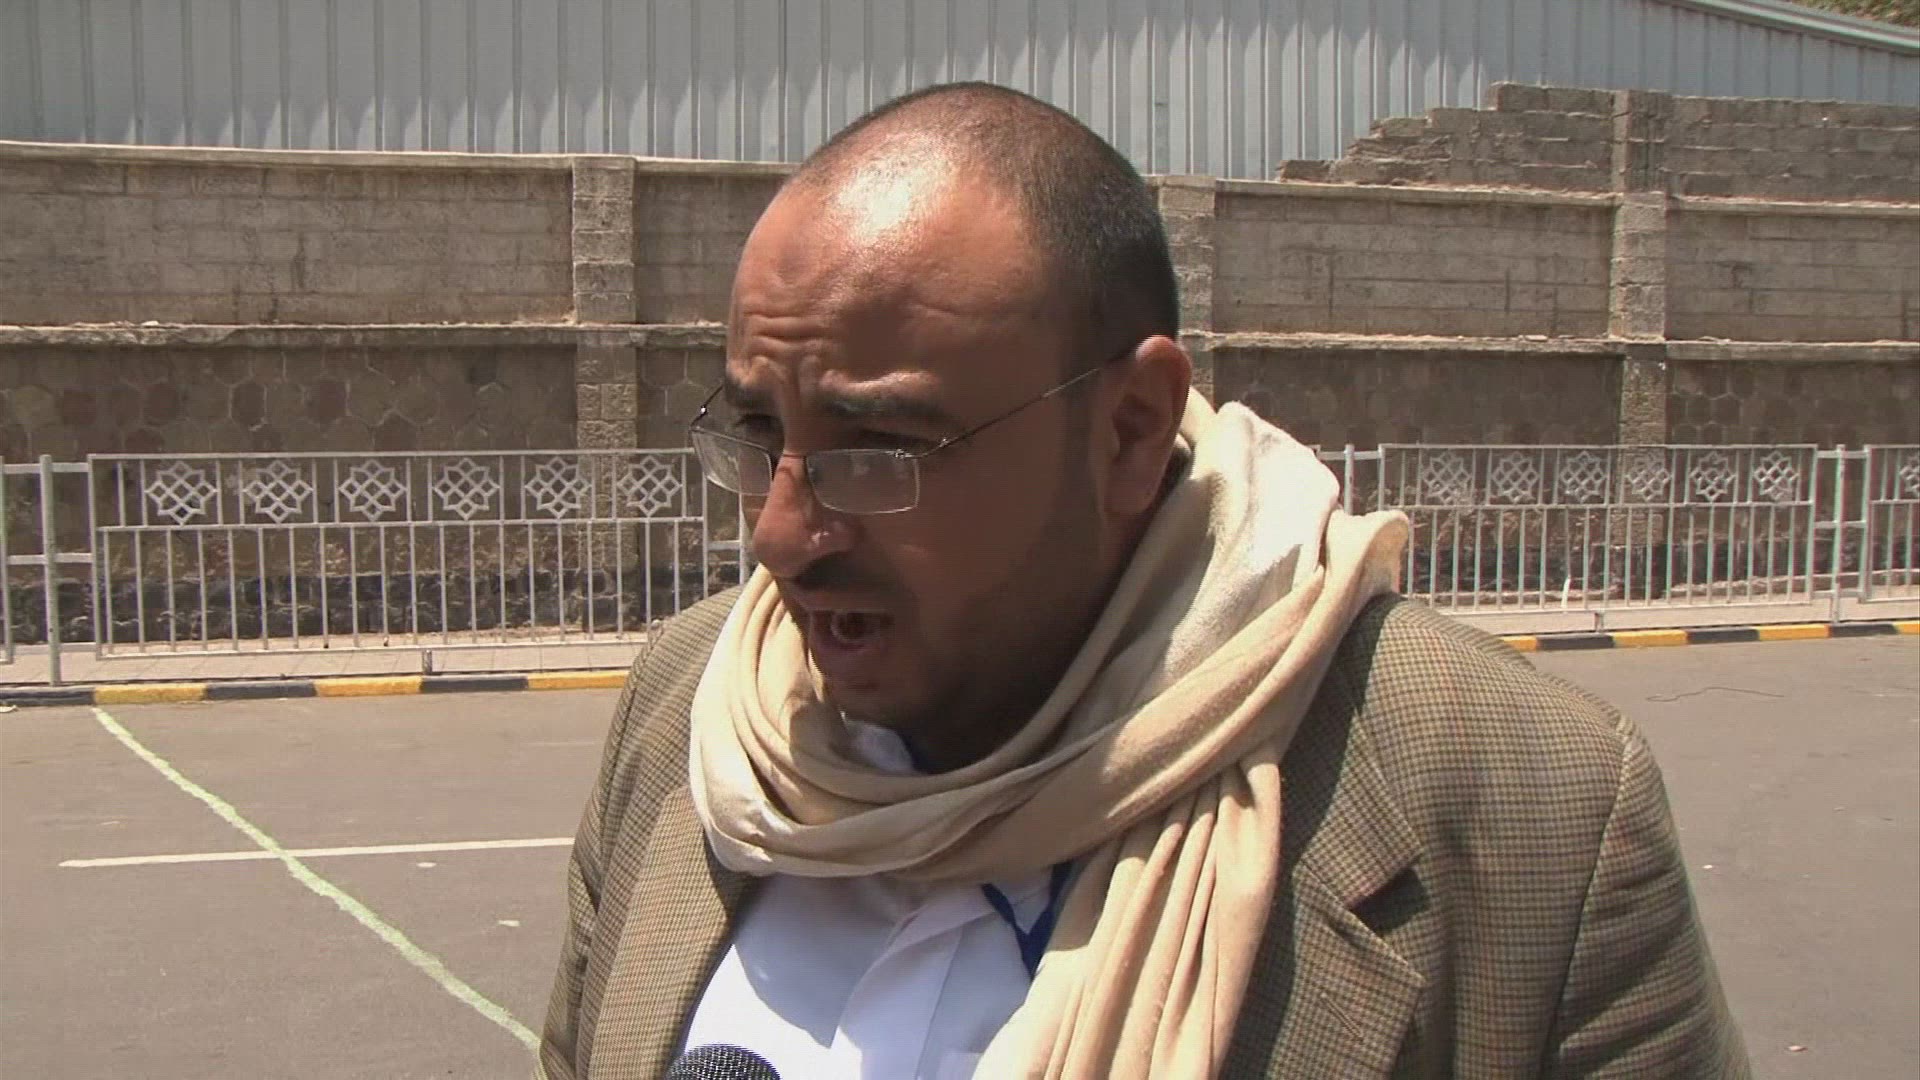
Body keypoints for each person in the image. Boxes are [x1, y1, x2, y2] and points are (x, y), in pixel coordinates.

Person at [537, 82, 1748, 1080]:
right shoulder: (692, 709)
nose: (782, 535)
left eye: (880, 451)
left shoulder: (1530, 807)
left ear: (1126, 430)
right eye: (759, 435)